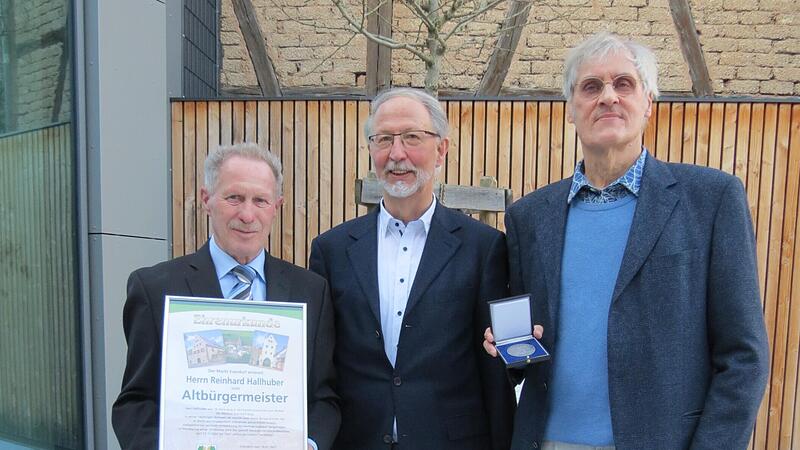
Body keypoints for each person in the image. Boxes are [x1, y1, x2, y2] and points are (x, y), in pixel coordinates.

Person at [484, 32, 769, 450]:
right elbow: (527, 354)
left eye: (624, 84)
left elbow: (744, 356)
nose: (608, 97)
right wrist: (507, 351)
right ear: (571, 109)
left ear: (649, 103)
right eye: (591, 86)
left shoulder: (710, 200)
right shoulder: (530, 217)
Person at [309, 87, 515, 450]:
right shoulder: (332, 250)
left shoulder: (483, 248)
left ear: (441, 150)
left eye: (412, 138)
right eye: (384, 139)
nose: (397, 154)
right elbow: (320, 369)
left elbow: (494, 371)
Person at [112, 143, 339, 450]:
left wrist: (309, 444)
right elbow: (135, 403)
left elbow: (325, 398)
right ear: (207, 200)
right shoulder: (155, 289)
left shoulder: (311, 292)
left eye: (260, 200)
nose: (247, 215)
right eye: (234, 197)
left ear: (277, 207)